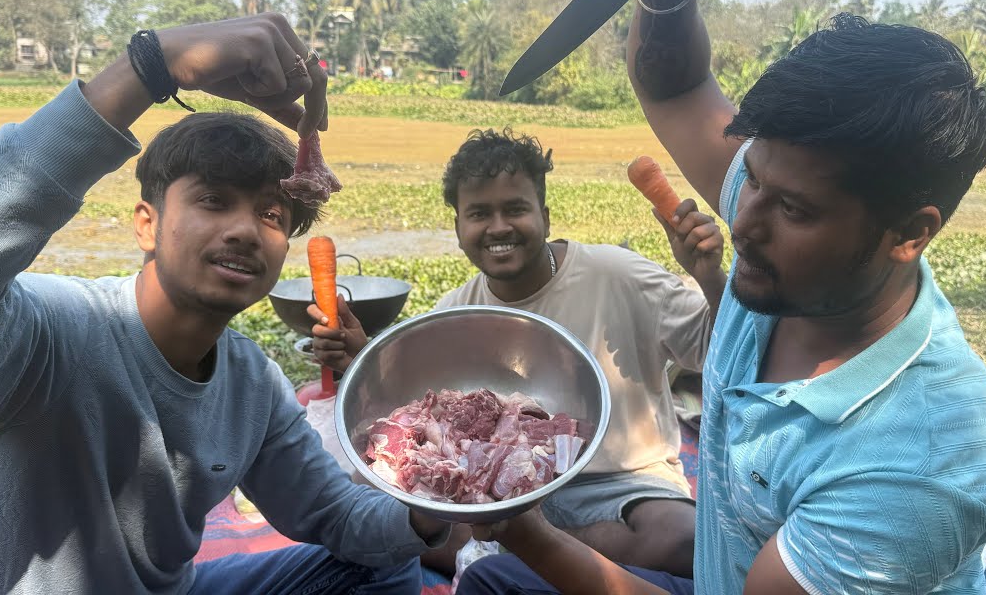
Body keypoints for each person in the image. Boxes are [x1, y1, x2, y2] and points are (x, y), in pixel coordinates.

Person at [453, 0, 986, 593]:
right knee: (490, 583)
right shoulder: (795, 256)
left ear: (909, 233)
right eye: (751, 177)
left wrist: (526, 530)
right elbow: (677, 89)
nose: (741, 223)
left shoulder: (914, 468)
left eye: (792, 209)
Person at [0, 14, 447, 595]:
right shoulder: (47, 334)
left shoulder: (251, 385)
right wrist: (150, 67)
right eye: (214, 201)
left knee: (387, 560)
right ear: (147, 224)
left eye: (272, 214)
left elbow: (336, 514)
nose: (246, 229)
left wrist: (439, 507)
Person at [311, 127, 726, 577]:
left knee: (685, 538)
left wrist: (709, 277)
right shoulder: (454, 313)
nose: (498, 227)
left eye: (515, 209)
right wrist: (362, 361)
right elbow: (411, 416)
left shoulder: (618, 275)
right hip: (491, 493)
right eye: (479, 214)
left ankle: (515, 560)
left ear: (544, 216)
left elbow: (717, 351)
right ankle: (534, 560)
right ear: (458, 227)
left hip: (618, 486)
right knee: (370, 513)